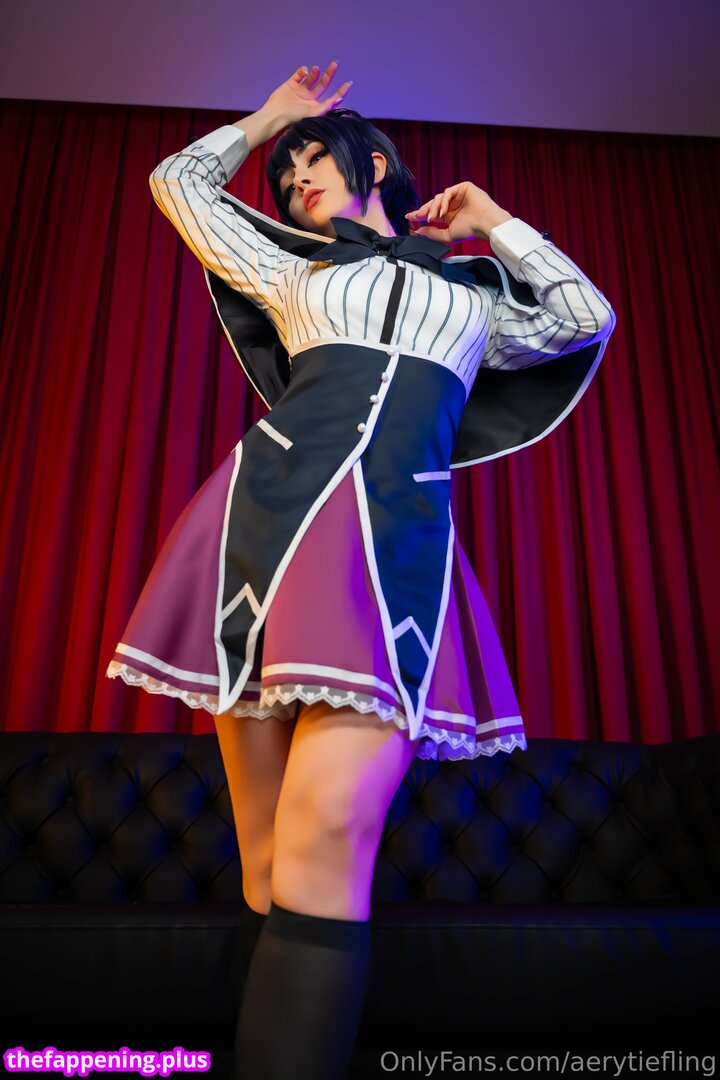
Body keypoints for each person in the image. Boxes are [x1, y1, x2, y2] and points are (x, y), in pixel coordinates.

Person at [106, 61, 616, 1079]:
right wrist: (270, 118)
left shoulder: (476, 306)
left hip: (393, 545)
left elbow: (583, 315)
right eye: (285, 170)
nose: (294, 176)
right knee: (268, 863)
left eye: (313, 159)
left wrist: (493, 221)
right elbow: (176, 185)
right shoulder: (287, 269)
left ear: (374, 165)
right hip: (261, 529)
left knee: (330, 830)